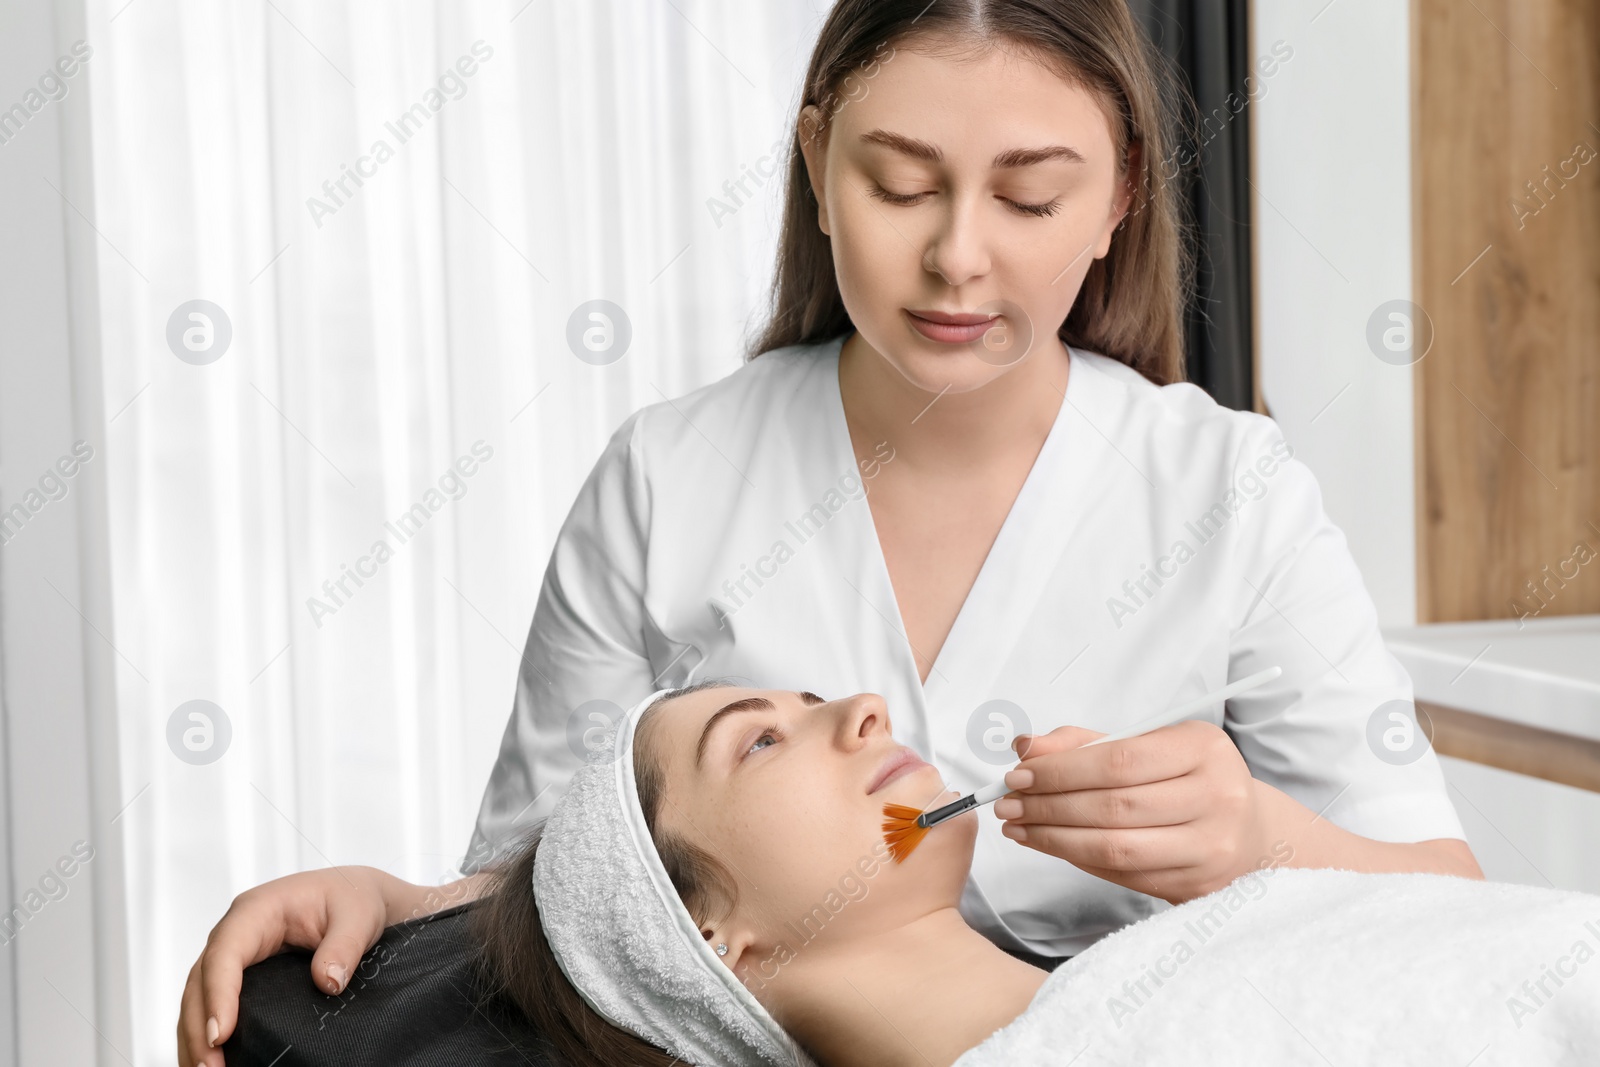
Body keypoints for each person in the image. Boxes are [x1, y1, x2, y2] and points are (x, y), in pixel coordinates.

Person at [178, 1, 1484, 1062]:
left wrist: (1258, 838)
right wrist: (401, 909)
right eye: (901, 184)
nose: (958, 257)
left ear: (1121, 197)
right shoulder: (671, 478)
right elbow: (574, 891)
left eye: (1029, 198)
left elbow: (1451, 904)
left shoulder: (1229, 492)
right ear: (814, 164)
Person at [472, 683, 1592, 1067]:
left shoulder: (1191, 941)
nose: (860, 704)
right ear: (707, 936)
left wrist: (1263, 835)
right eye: (758, 740)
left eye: (809, 696)